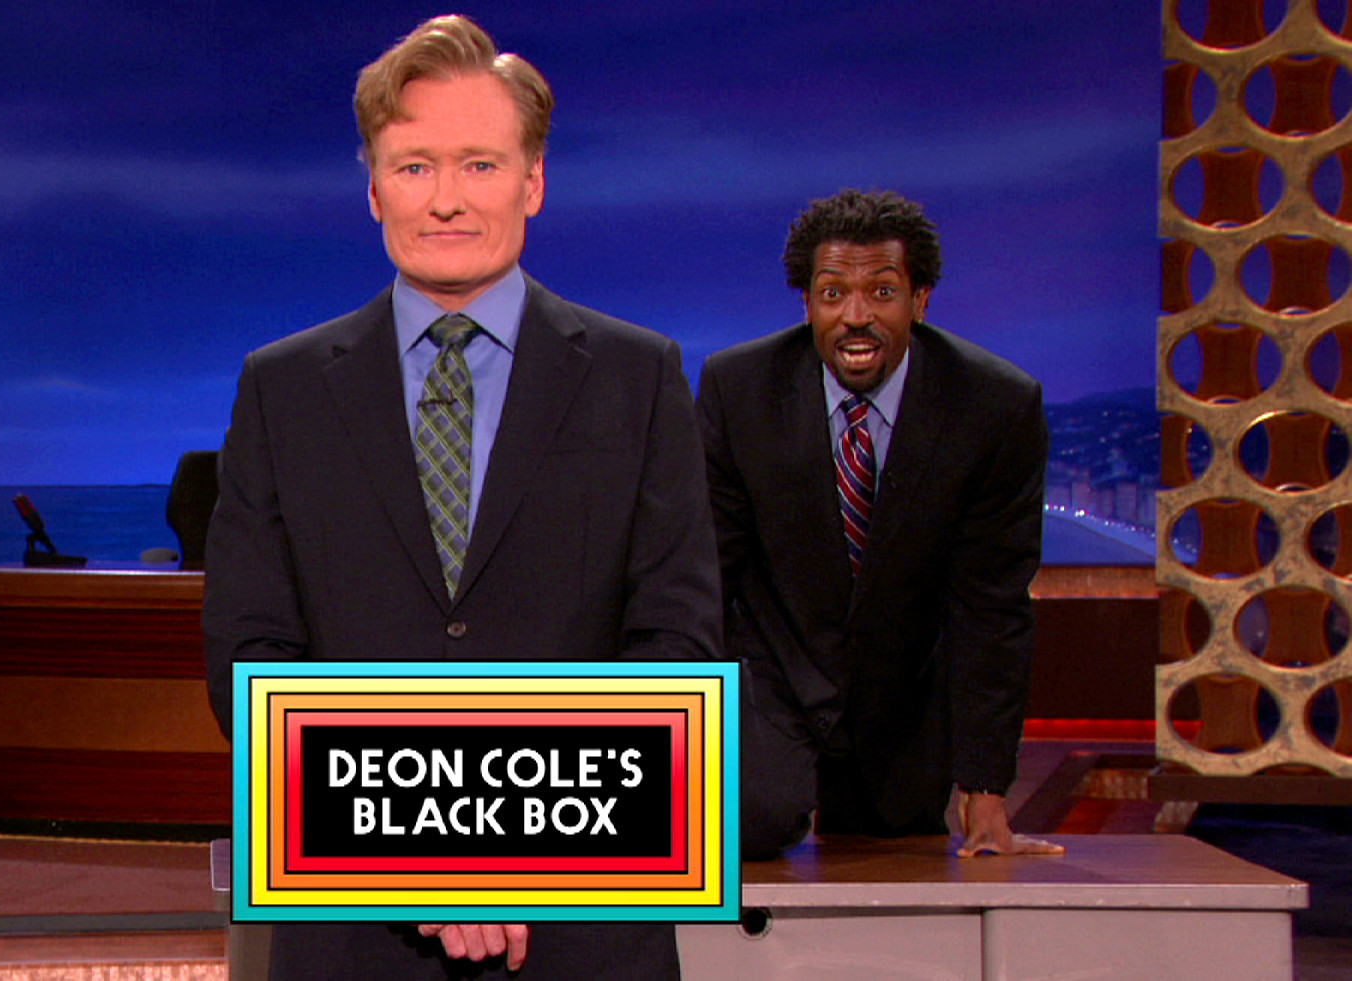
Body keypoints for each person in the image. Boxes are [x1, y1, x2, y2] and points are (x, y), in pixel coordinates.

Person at [202, 14, 720, 980]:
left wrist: (509, 846)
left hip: (581, 924)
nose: (446, 199)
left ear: (533, 181)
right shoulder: (281, 390)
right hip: (355, 929)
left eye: (480, 165)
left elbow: (676, 642)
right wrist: (419, 852)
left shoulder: (638, 377)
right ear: (373, 188)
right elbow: (250, 655)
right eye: (414, 166)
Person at [697, 188, 1063, 860]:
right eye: (833, 294)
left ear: (920, 300)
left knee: (891, 858)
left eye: (882, 292)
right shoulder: (739, 389)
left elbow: (992, 605)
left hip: (904, 692)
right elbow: (706, 576)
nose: (856, 317)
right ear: (807, 303)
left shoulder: (994, 407)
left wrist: (985, 788)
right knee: (753, 825)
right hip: (774, 674)